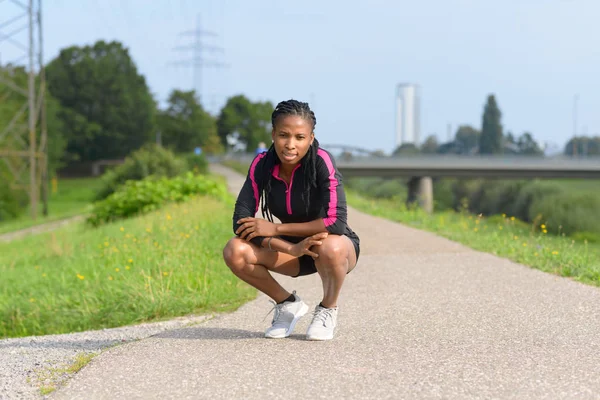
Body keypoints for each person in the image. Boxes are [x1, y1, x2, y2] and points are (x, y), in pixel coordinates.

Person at [222, 99, 360, 341]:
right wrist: (290, 246)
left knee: (332, 246)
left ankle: (327, 309)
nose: (290, 144)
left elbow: (335, 222)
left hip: (328, 247)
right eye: (284, 135)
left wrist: (276, 228)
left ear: (311, 138)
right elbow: (240, 221)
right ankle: (287, 304)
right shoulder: (261, 165)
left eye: (299, 137)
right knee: (235, 250)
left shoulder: (321, 162)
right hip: (291, 250)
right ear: (273, 134)